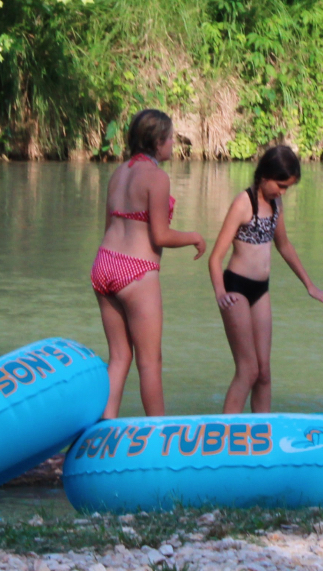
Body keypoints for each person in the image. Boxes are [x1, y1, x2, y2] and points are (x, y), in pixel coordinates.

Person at [207, 145, 323, 413]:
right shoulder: (243, 203)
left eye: (287, 188)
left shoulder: (277, 204)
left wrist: (310, 286)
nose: (283, 192)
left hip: (261, 290)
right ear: (265, 175)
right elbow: (215, 257)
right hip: (235, 289)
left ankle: (263, 430)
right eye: (281, 186)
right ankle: (226, 431)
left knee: (264, 372)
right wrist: (220, 292)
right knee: (248, 370)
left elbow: (284, 246)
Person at [91, 109, 204, 419]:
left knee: (119, 357)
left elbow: (108, 227)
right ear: (157, 142)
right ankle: (159, 434)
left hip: (104, 264)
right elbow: (160, 235)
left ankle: (104, 425)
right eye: (171, 138)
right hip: (136, 271)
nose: (173, 144)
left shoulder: (119, 173)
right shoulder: (157, 177)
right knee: (150, 362)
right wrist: (194, 237)